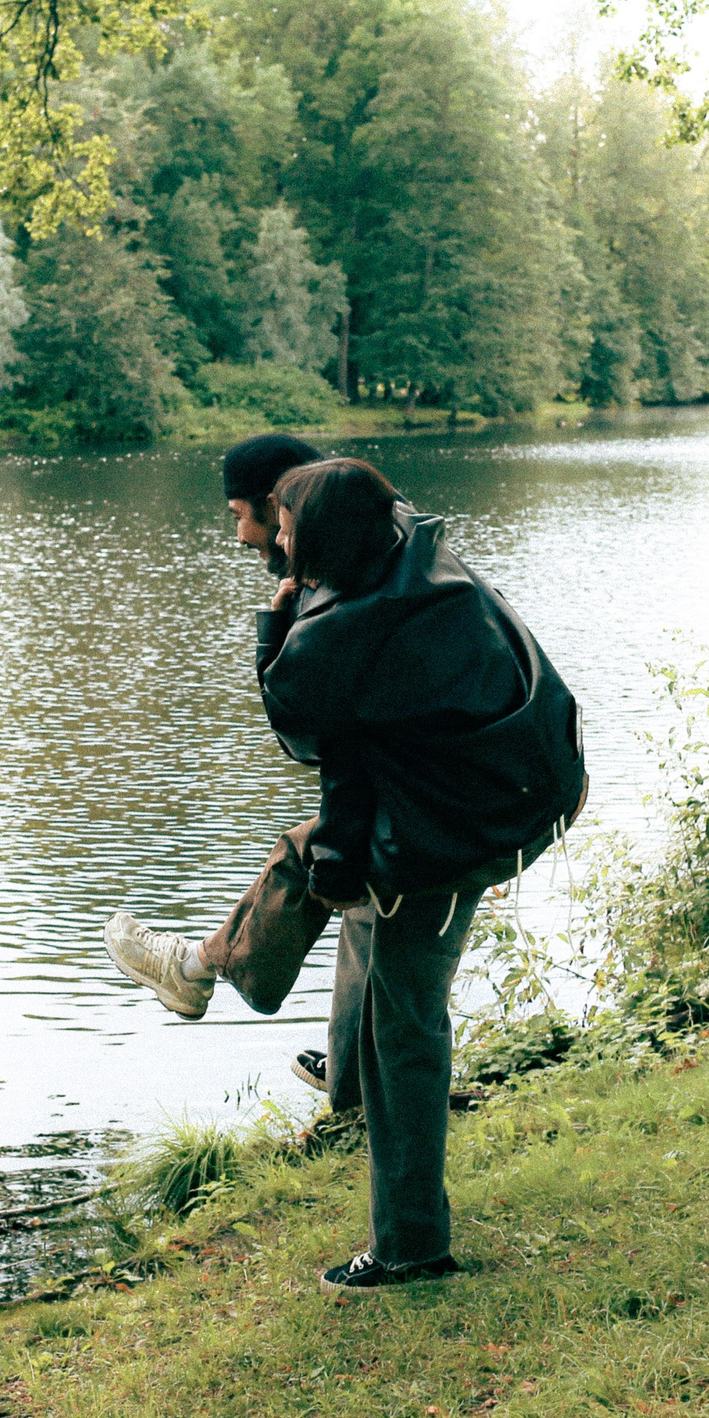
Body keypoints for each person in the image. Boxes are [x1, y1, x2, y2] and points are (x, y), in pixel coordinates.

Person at [106, 454, 586, 1295]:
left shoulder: (343, 629)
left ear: (319, 542)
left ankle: (410, 1246)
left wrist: (275, 621)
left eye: (284, 528)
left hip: (468, 819)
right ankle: (315, 1052)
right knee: (326, 871)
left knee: (405, 1024)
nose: (275, 540)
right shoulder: (407, 554)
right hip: (516, 775)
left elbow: (303, 727)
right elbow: (358, 751)